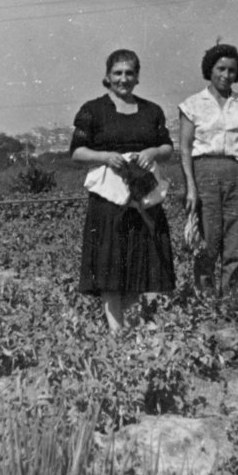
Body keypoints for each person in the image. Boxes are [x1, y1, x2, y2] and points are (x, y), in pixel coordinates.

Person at [70, 49, 176, 332]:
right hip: (109, 198)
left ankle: (137, 328)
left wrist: (152, 151)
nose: (124, 79)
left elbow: (167, 148)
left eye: (129, 73)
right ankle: (117, 333)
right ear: (107, 76)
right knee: (110, 263)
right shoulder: (93, 110)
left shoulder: (152, 111)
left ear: (138, 77)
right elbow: (77, 152)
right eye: (117, 73)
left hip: (145, 196)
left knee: (142, 261)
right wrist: (104, 156)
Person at [179, 43, 238, 296]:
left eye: (232, 71)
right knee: (208, 240)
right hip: (205, 173)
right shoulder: (193, 104)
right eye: (221, 69)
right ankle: (204, 299)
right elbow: (184, 149)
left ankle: (230, 301)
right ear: (210, 70)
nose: (226, 75)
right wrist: (191, 187)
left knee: (235, 242)